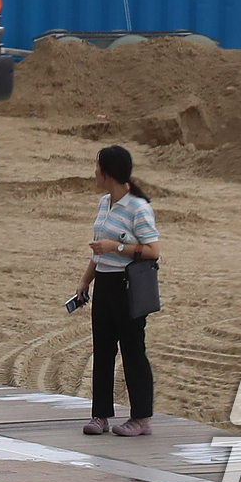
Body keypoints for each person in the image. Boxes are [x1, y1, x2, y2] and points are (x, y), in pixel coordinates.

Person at [76, 144, 159, 438]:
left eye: (97, 166)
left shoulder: (138, 207)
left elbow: (153, 251)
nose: (95, 171)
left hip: (129, 286)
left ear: (108, 172)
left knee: (133, 350)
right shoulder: (104, 203)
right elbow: (98, 249)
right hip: (104, 283)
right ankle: (100, 415)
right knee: (103, 350)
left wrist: (117, 248)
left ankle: (141, 418)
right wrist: (85, 282)